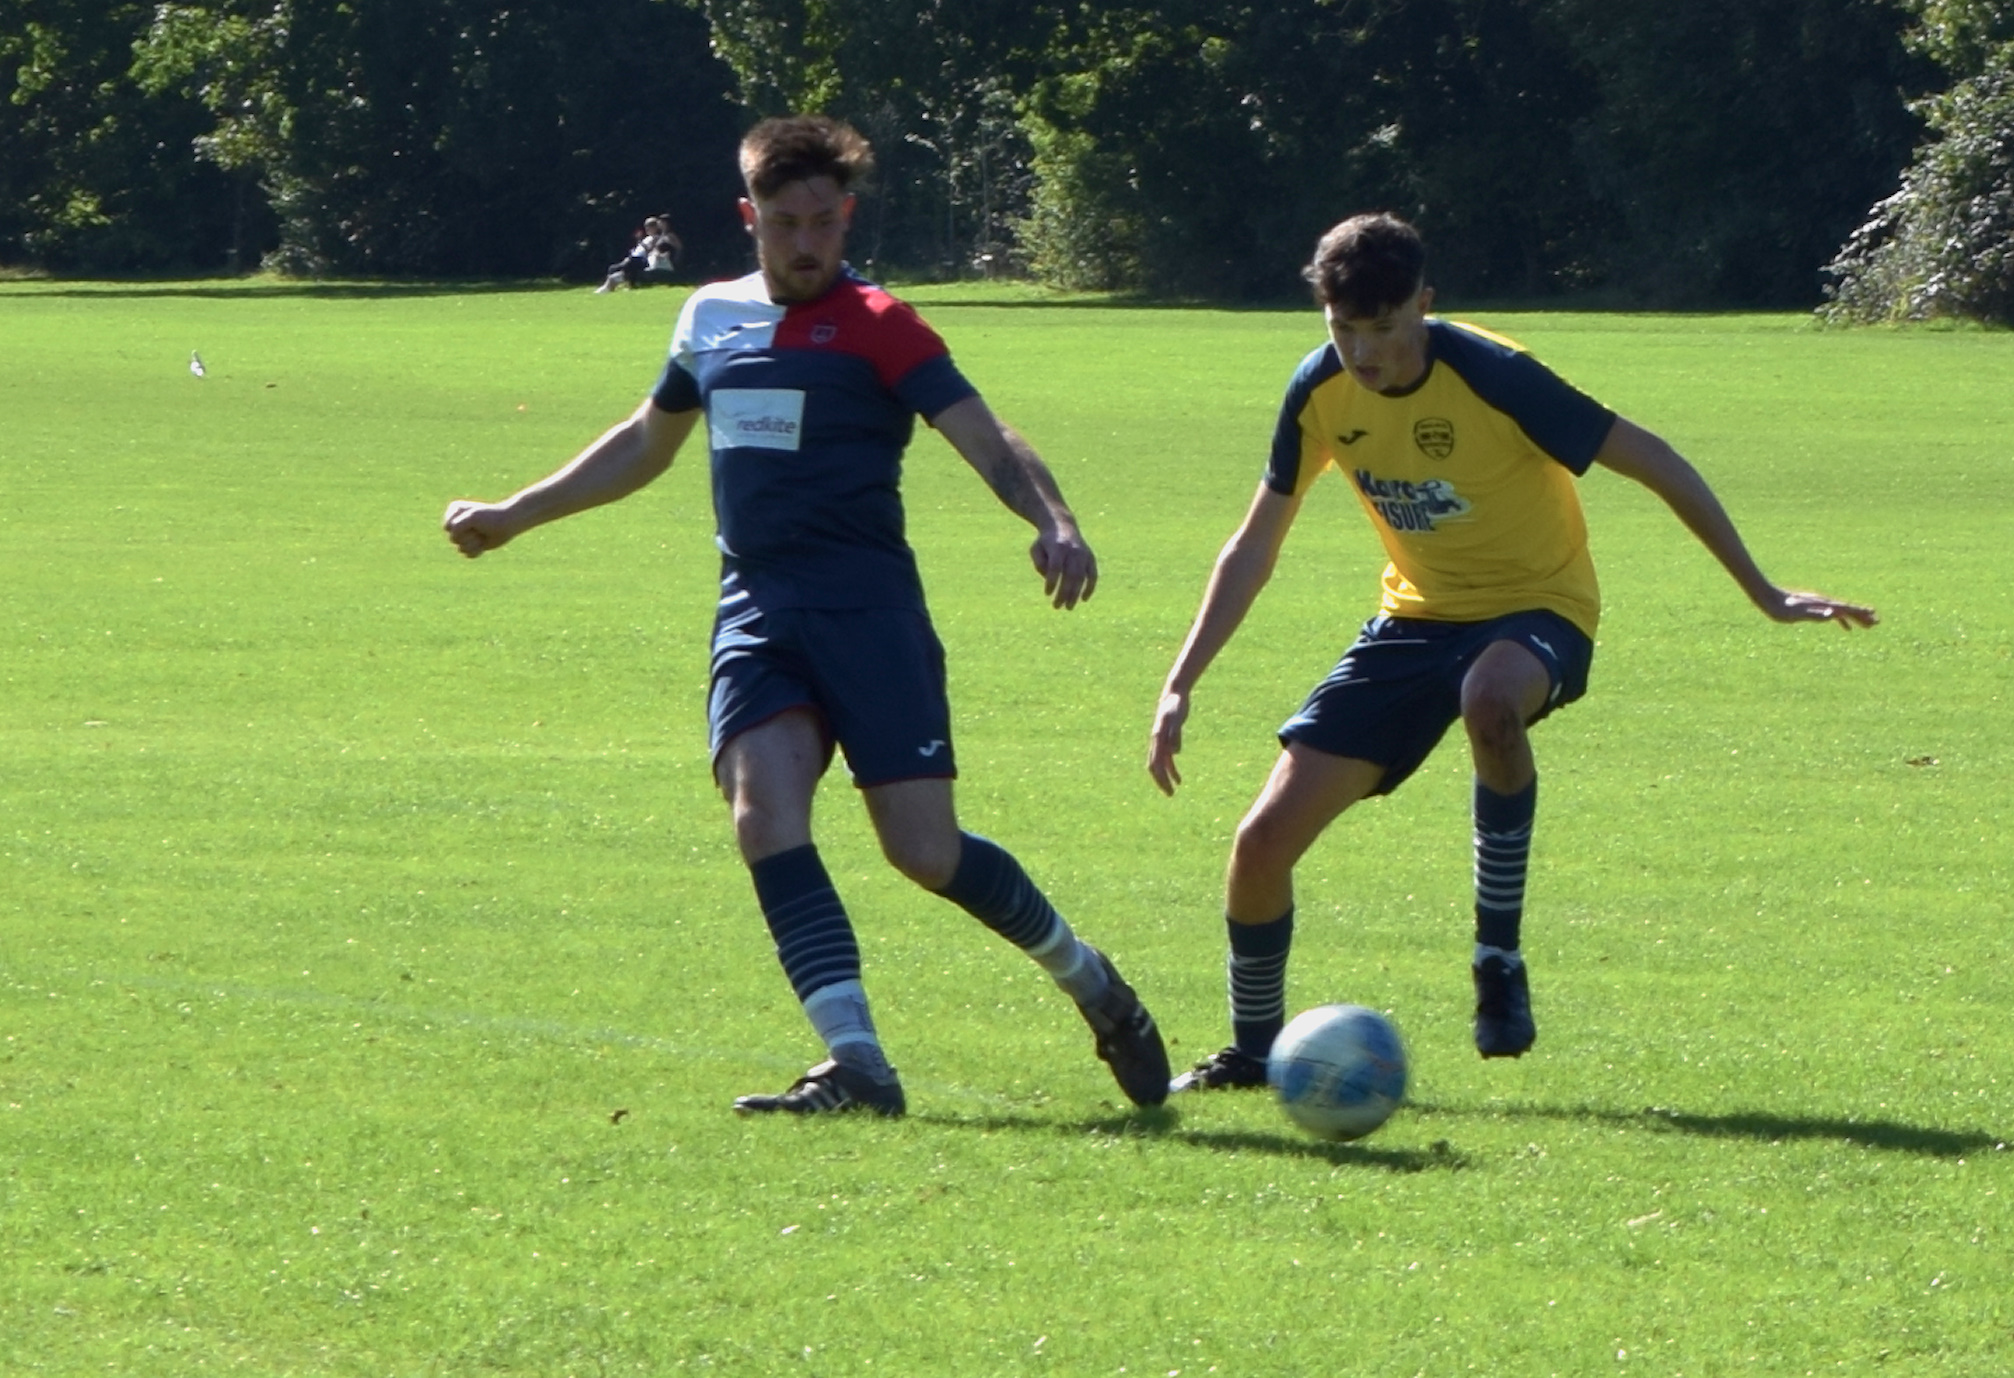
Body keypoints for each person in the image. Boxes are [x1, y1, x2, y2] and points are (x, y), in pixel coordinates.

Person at [447, 115, 1169, 1116]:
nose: (804, 242)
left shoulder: (881, 322)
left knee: (924, 851)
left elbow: (982, 431)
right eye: (784, 222)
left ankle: (1090, 980)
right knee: (762, 814)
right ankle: (858, 1063)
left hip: (868, 617)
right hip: (758, 612)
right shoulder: (707, 319)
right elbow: (645, 443)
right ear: (749, 217)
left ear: (847, 217)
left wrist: (1054, 518)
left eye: (823, 221)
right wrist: (514, 513)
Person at [1147, 212, 1876, 1093]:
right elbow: (1254, 545)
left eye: (1382, 329)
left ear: (1425, 303)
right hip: (1414, 623)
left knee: (1490, 700)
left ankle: (1497, 957)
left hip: (1542, 610)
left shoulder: (1496, 376)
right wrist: (1182, 682)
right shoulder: (1318, 392)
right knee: (1261, 844)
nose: (1362, 354)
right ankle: (1254, 1055)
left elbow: (1655, 459)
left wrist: (1762, 591)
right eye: (1342, 330)